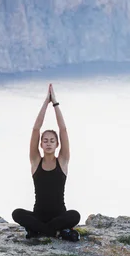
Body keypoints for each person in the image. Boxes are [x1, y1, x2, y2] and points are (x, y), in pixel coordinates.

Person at [12, 83, 81, 241]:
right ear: (41, 144)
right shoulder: (35, 161)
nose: (48, 143)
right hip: (38, 216)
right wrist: (45, 102)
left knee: (75, 215)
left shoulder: (62, 161)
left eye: (52, 141)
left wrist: (55, 103)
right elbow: (36, 130)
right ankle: (57, 232)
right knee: (16, 213)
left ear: (57, 144)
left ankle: (39, 231)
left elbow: (63, 130)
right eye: (45, 141)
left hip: (59, 216)